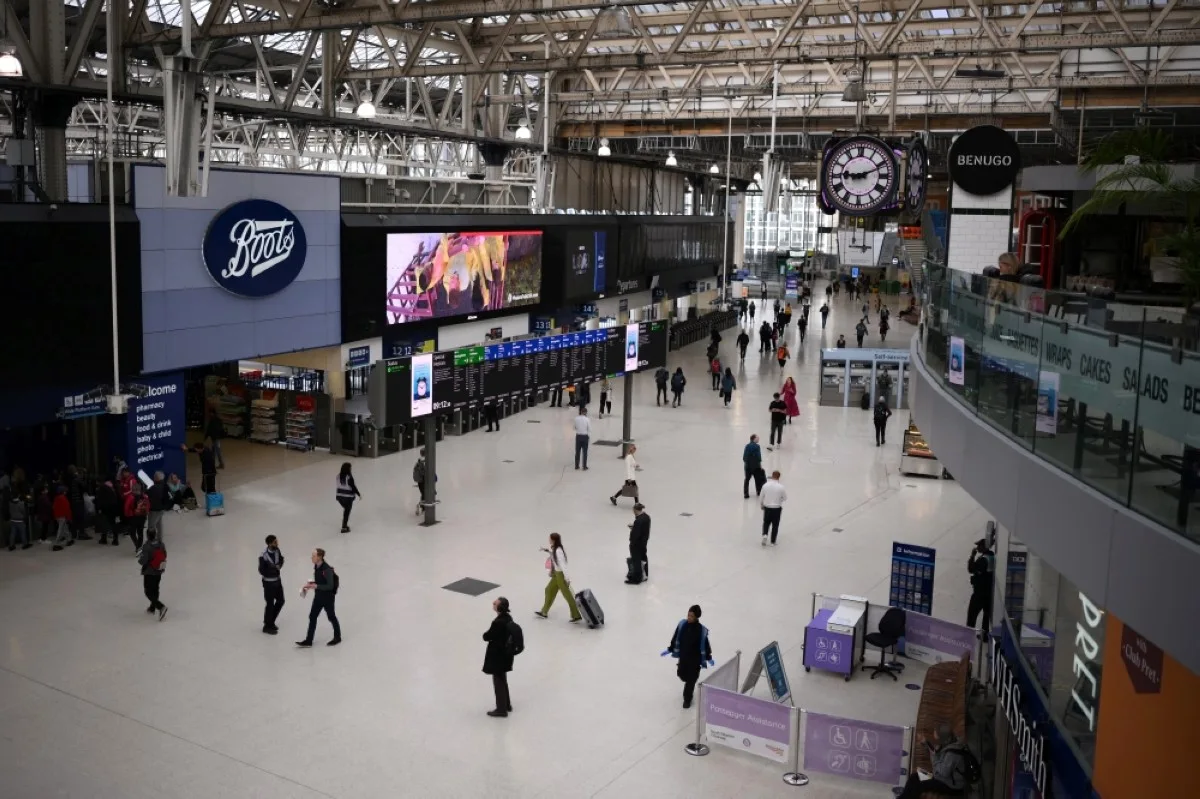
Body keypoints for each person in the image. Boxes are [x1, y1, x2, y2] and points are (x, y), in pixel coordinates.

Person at [896, 724, 972, 798]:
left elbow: (943, 772)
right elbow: (936, 753)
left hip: (951, 786)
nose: (935, 739)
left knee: (919, 786)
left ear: (942, 738)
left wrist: (935, 757)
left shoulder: (952, 754)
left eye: (937, 738)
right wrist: (925, 742)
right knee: (915, 776)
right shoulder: (949, 742)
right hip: (941, 778)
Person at [663, 604, 714, 709]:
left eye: (691, 616)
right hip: (683, 658)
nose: (689, 618)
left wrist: (709, 657)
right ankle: (688, 681)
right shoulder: (682, 625)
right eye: (688, 615)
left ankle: (687, 700)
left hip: (694, 661)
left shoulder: (700, 630)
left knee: (690, 681)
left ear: (696, 617)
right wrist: (670, 648)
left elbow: (705, 644)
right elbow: (676, 636)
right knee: (681, 675)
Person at [297, 548, 341, 647]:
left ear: (320, 557)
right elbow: (320, 582)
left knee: (331, 616)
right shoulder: (317, 567)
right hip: (318, 597)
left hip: (327, 598)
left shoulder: (327, 569)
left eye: (313, 556)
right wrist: (311, 584)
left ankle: (337, 637)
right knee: (312, 616)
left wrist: (316, 586)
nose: (311, 557)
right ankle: (309, 641)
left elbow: (330, 586)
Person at [482, 596, 519, 717]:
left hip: (498, 656)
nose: (493, 603)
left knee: (498, 681)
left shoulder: (497, 622)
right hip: (506, 655)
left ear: (499, 607)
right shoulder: (508, 618)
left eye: (495, 603)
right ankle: (506, 705)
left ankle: (501, 709)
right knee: (503, 680)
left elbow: (487, 636)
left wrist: (485, 634)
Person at [535, 533, 582, 622]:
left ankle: (576, 615)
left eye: (550, 539)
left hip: (561, 576)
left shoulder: (558, 551)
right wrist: (545, 550)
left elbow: (563, 565)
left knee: (567, 595)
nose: (548, 540)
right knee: (548, 589)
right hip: (556, 575)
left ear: (553, 540)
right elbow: (552, 554)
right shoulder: (555, 548)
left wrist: (567, 579)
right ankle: (544, 612)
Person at [966, 538, 995, 633]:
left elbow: (971, 569)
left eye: (979, 546)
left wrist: (972, 556)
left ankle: (968, 635)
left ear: (984, 547)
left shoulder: (983, 560)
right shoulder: (991, 556)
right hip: (988, 592)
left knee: (972, 615)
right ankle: (985, 636)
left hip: (979, 593)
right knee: (986, 616)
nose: (977, 547)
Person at [139, 527, 168, 620]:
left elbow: (143, 561)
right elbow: (165, 554)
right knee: (155, 588)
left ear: (147, 535)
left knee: (148, 591)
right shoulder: (161, 544)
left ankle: (160, 607)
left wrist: (140, 559)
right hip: (159, 569)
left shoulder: (147, 546)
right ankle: (152, 608)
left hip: (149, 572)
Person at [259, 534, 285, 635]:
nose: (277, 543)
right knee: (270, 604)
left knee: (281, 601)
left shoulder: (277, 550)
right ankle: (267, 625)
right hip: (268, 583)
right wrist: (272, 569)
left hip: (277, 581)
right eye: (275, 542)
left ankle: (271, 621)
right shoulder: (263, 556)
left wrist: (280, 565)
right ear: (269, 544)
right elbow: (261, 570)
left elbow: (281, 559)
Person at [760, 470, 787, 546]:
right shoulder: (781, 487)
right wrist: (779, 500)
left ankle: (765, 535)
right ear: (779, 477)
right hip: (777, 508)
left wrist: (761, 504)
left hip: (767, 507)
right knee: (775, 525)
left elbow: (761, 496)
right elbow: (785, 498)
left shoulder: (765, 485)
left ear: (772, 476)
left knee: (766, 522)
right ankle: (772, 541)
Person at [626, 503, 650, 584]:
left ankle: (637, 578)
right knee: (643, 557)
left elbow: (636, 534)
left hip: (637, 544)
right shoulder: (647, 517)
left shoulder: (638, 521)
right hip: (643, 542)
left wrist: (632, 540)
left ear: (636, 510)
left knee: (636, 560)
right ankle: (645, 574)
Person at [336, 462, 362, 533]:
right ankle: (344, 527)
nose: (351, 469)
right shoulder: (349, 477)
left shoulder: (338, 476)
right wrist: (358, 494)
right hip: (348, 497)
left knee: (346, 510)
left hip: (340, 498)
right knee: (347, 511)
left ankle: (344, 525)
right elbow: (353, 487)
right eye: (350, 468)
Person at [146, 471, 168, 543]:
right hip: (162, 508)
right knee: (159, 524)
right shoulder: (165, 485)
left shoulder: (153, 487)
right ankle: (160, 539)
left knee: (151, 526)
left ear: (156, 478)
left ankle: (151, 541)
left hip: (154, 510)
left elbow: (148, 496)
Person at [52, 485, 73, 551]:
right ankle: (56, 544)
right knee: (61, 530)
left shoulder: (56, 498)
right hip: (62, 516)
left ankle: (69, 540)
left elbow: (54, 507)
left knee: (64, 528)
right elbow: (67, 508)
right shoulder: (63, 498)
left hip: (58, 516)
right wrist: (69, 517)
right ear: (63, 491)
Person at [743, 434, 763, 498]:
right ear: (754, 439)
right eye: (757, 438)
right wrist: (760, 465)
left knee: (747, 480)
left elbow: (744, 457)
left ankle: (746, 493)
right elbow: (758, 456)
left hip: (748, 466)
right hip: (756, 466)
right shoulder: (757, 446)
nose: (758, 439)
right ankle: (758, 491)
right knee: (757, 479)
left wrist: (747, 462)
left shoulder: (747, 446)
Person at [573, 405, 591, 470]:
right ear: (586, 412)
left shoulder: (576, 418)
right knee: (585, 452)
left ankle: (576, 465)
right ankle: (584, 466)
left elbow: (574, 428)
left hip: (578, 436)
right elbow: (589, 429)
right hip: (585, 436)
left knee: (577, 452)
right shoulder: (587, 419)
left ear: (580, 412)